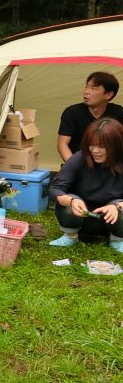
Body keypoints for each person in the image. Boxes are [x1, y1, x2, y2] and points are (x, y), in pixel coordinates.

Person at [49, 118, 123, 251]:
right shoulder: (79, 157)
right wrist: (71, 201)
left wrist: (117, 206)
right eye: (91, 145)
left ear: (116, 145)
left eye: (101, 146)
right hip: (82, 217)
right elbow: (55, 189)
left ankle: (118, 239)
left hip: (112, 219)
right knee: (69, 199)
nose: (95, 150)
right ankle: (71, 236)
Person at [57, 72, 123, 162]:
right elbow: (62, 144)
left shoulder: (119, 113)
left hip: (111, 164)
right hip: (79, 162)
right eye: (86, 87)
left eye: (93, 88)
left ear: (109, 95)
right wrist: (73, 165)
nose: (86, 92)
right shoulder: (72, 112)